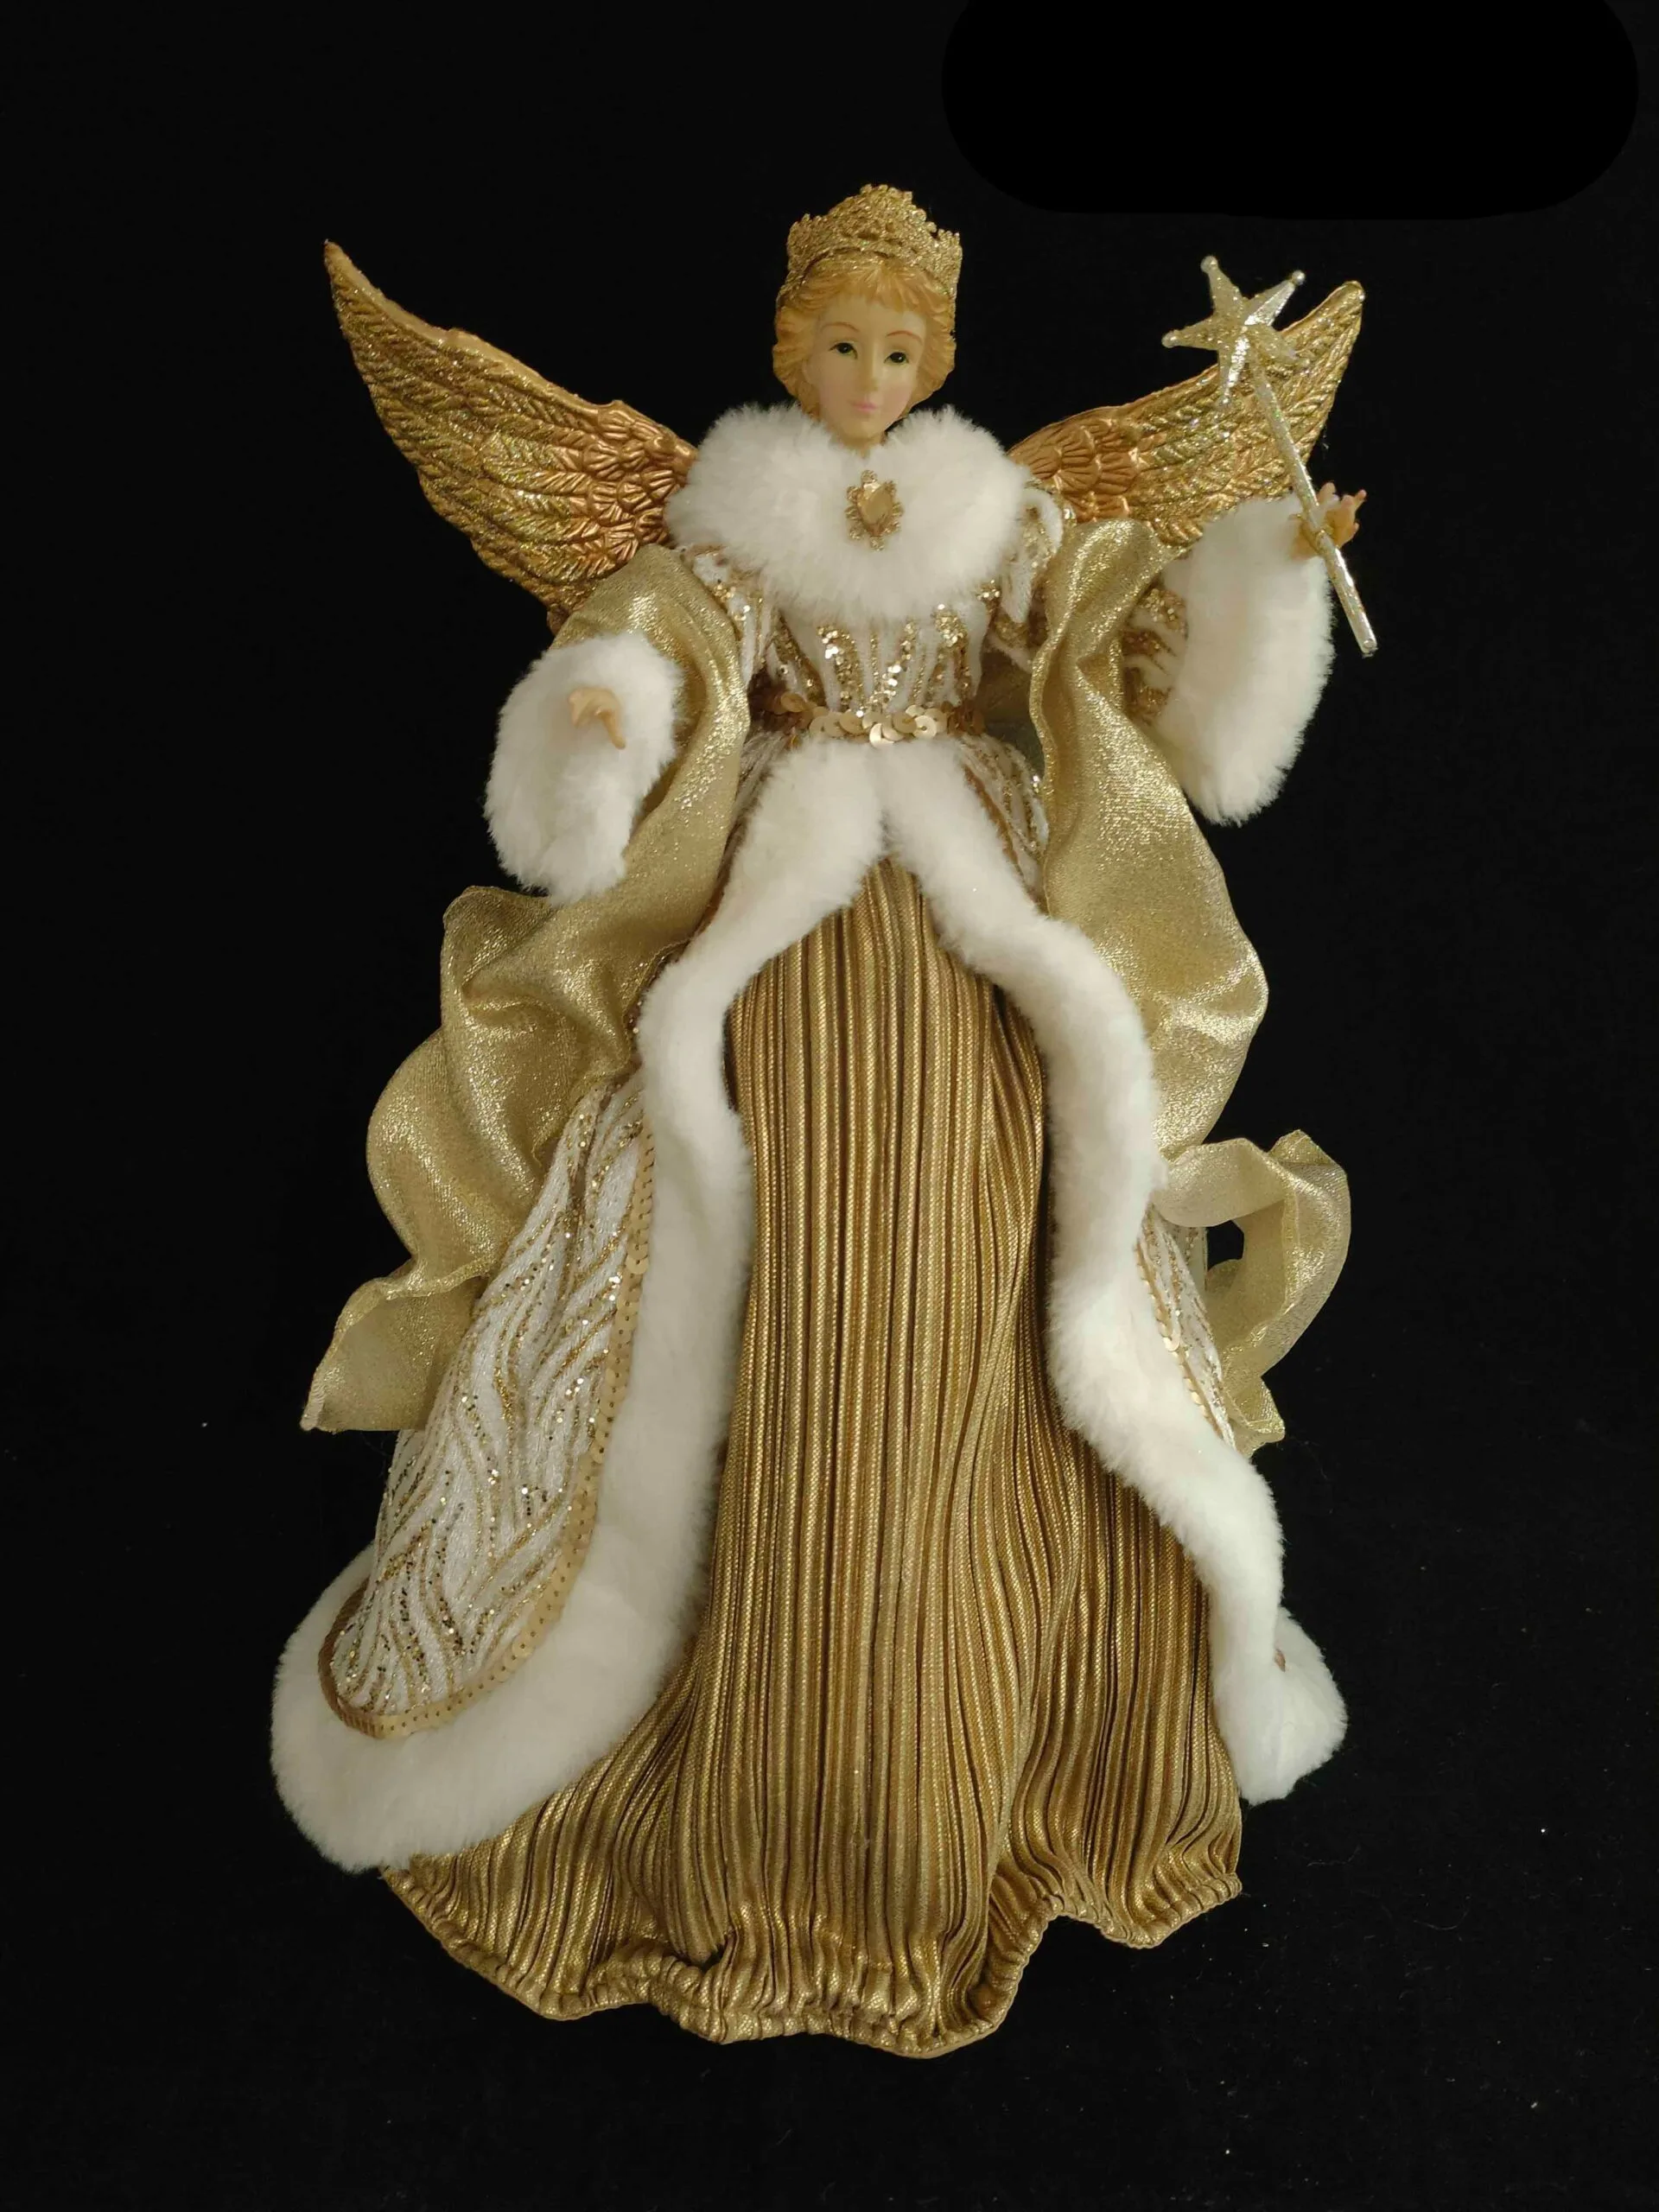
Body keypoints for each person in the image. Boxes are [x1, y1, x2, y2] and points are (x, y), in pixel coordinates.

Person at [273, 184, 1361, 2056]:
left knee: (998, 1249)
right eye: (842, 344)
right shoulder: (729, 513)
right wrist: (607, 714)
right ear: (792, 350)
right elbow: (655, 644)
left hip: (971, 920)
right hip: (778, 921)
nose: (869, 375)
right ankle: (720, 1684)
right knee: (740, 1246)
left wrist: (1266, 562)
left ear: (938, 363)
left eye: (900, 349)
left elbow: (1123, 649)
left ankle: (1023, 1697)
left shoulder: (998, 511)